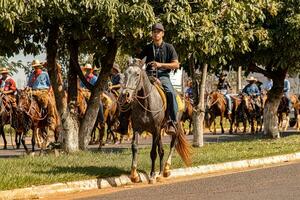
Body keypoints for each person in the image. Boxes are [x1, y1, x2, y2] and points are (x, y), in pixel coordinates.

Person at [139, 23, 180, 134]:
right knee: (132, 91)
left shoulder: (169, 47)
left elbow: (176, 65)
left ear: (162, 34)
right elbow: (139, 61)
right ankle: (123, 122)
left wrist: (161, 65)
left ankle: (172, 121)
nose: (156, 34)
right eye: (154, 32)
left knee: (170, 92)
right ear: (152, 34)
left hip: (163, 76)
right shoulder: (147, 48)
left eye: (158, 32)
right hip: (148, 76)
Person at [27, 59, 56, 130]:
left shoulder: (45, 74)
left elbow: (50, 84)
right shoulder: (32, 75)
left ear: (39, 66)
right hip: (33, 91)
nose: (36, 68)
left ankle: (50, 118)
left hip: (43, 91)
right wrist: (27, 89)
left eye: (37, 66)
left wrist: (49, 91)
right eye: (34, 66)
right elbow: (29, 85)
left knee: (49, 102)